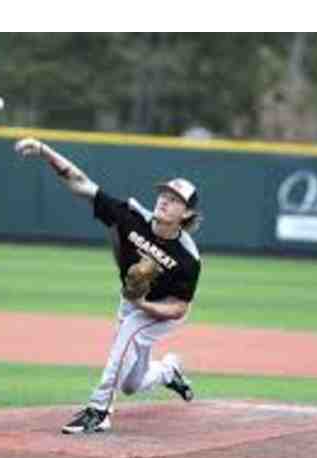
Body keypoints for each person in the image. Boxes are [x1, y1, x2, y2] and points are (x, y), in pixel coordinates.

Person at [15, 138, 202, 434]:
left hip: (163, 308)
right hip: (132, 300)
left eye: (175, 200)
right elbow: (81, 184)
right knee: (131, 384)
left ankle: (99, 410)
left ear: (187, 214)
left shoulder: (188, 258)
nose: (165, 201)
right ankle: (168, 372)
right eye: (164, 194)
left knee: (130, 330)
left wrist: (144, 306)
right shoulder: (131, 217)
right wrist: (44, 151)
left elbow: (179, 307)